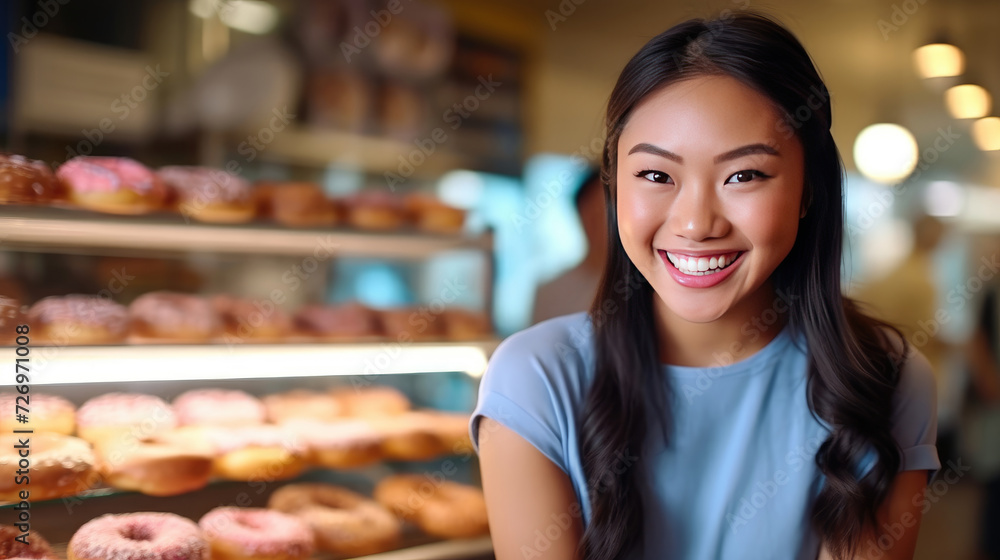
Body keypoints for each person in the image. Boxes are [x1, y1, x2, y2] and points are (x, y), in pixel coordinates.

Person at [470, 13, 939, 560]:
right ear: (614, 185)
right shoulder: (535, 377)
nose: (696, 223)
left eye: (743, 176)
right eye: (656, 176)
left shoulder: (882, 376)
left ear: (808, 190)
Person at [532, 168, 608, 324]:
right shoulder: (551, 290)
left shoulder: (643, 287)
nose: (602, 224)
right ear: (580, 215)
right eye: (594, 215)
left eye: (607, 214)